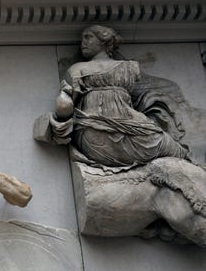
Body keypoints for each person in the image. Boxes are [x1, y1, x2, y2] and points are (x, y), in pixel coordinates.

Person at [52, 25, 188, 167]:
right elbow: (65, 107)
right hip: (95, 133)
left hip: (131, 127)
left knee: (176, 150)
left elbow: (153, 88)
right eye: (82, 39)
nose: (83, 43)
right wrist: (63, 102)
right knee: (174, 150)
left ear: (104, 41)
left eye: (88, 37)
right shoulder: (77, 69)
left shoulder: (128, 67)